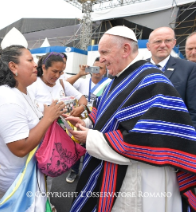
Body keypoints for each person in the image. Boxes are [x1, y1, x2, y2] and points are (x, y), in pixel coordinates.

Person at [67, 25, 196, 212]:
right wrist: (87, 123)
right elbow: (106, 113)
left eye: (104, 52)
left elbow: (144, 140)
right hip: (119, 171)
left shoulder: (151, 80)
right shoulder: (119, 78)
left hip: (139, 180)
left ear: (125, 49)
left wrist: (90, 137)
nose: (100, 59)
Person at [0, 45, 65, 199]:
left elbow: (35, 111)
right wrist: (48, 118)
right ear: (13, 66)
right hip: (14, 182)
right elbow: (20, 148)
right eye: (29, 60)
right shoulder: (6, 100)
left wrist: (54, 111)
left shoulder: (21, 93)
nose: (35, 64)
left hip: (27, 175)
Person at [65, 57, 111, 184]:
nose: (97, 71)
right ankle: (74, 170)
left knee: (92, 148)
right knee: (75, 146)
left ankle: (88, 173)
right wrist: (79, 74)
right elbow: (64, 85)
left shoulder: (108, 84)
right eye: (94, 68)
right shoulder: (83, 82)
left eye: (100, 68)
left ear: (105, 70)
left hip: (97, 121)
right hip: (80, 120)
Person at [146, 26, 196, 128]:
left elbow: (193, 111)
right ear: (148, 46)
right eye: (158, 41)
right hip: (141, 135)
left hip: (174, 136)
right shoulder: (138, 68)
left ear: (174, 43)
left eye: (168, 40)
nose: (163, 45)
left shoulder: (189, 69)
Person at [28, 52, 88, 117]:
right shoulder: (33, 85)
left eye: (60, 72)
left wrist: (81, 107)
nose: (57, 75)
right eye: (54, 71)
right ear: (44, 68)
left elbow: (81, 98)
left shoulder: (62, 83)